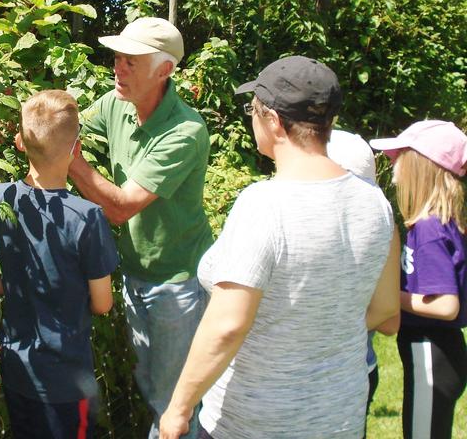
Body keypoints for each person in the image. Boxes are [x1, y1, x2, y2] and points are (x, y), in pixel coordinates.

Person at [159, 55, 398, 439]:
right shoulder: (375, 203)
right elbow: (386, 307)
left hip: (256, 423)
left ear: (272, 121)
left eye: (252, 109)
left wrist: (178, 408)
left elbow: (227, 326)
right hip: (339, 417)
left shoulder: (264, 205)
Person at [68, 17, 213, 438]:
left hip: (178, 281)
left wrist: (72, 164)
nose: (119, 68)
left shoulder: (185, 131)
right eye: (117, 58)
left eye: (132, 61)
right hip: (136, 272)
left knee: (175, 402)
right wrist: (37, 121)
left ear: (164, 70)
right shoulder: (117, 102)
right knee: (152, 386)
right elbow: (70, 122)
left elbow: (121, 208)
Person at [0, 89, 119, 439]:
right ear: (76, 147)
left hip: (17, 369)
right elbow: (103, 303)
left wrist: (24, 286)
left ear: (20, 141)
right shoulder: (87, 217)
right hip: (66, 381)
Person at [370, 120, 467, 439]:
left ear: (421, 168)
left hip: (431, 352)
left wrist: (386, 295)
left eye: (399, 157)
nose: (391, 165)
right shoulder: (440, 223)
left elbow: (445, 306)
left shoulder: (428, 229)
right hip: (438, 352)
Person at [328, 129, 402, 436]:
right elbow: (388, 318)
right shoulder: (383, 223)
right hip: (360, 368)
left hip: (320, 376)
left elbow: (389, 319)